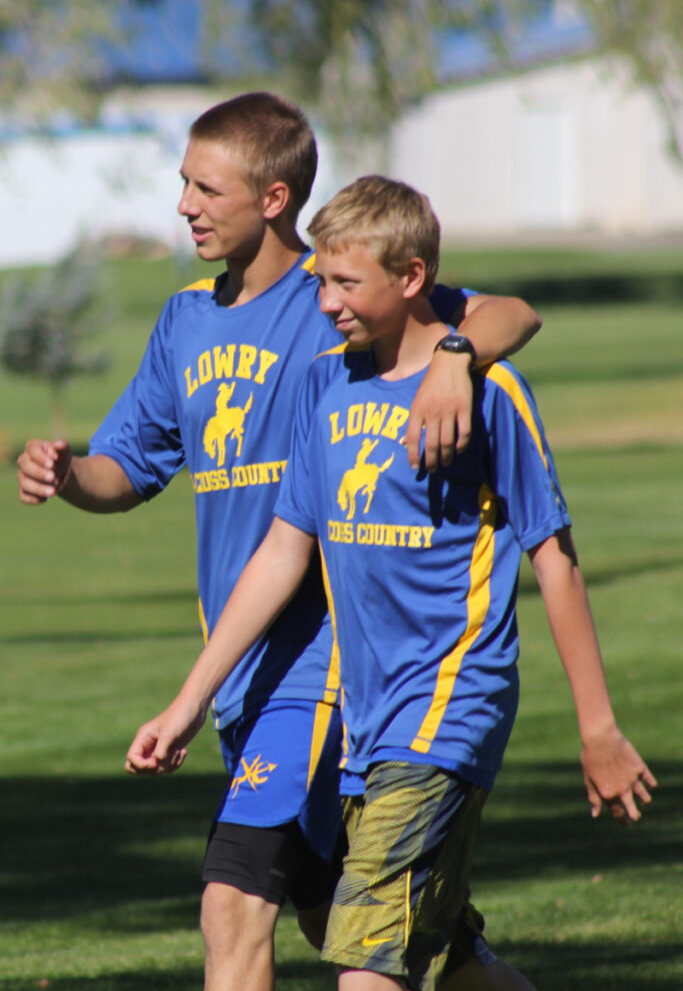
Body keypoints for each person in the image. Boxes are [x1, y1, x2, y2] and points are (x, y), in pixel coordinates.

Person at [18, 94, 541, 991]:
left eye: (205, 188)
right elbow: (127, 469)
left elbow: (511, 313)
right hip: (241, 672)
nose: (183, 205)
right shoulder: (185, 319)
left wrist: (457, 358)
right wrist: (69, 475)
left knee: (232, 903)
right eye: (183, 184)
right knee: (368, 928)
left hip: (322, 665)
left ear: (271, 198)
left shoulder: (334, 292)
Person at [125, 175, 657, 991]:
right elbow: (283, 548)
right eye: (320, 281)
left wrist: (598, 727)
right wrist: (187, 701)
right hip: (365, 725)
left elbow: (553, 559)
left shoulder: (489, 393)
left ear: (411, 277)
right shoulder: (325, 383)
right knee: (444, 959)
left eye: (345, 283)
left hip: (444, 708)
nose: (325, 302)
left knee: (365, 972)